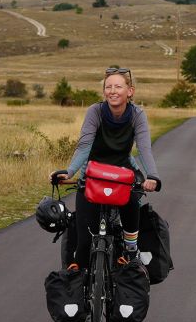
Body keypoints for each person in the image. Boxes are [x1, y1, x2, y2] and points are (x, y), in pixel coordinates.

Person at [50, 68, 160, 273]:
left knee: (132, 200)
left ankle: (130, 247)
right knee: (83, 238)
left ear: (130, 91)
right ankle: (83, 273)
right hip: (93, 172)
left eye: (118, 86)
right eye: (108, 87)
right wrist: (70, 171)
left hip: (123, 171)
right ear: (104, 92)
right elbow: (84, 146)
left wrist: (152, 176)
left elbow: (144, 149)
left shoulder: (137, 114)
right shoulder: (95, 111)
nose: (112, 91)